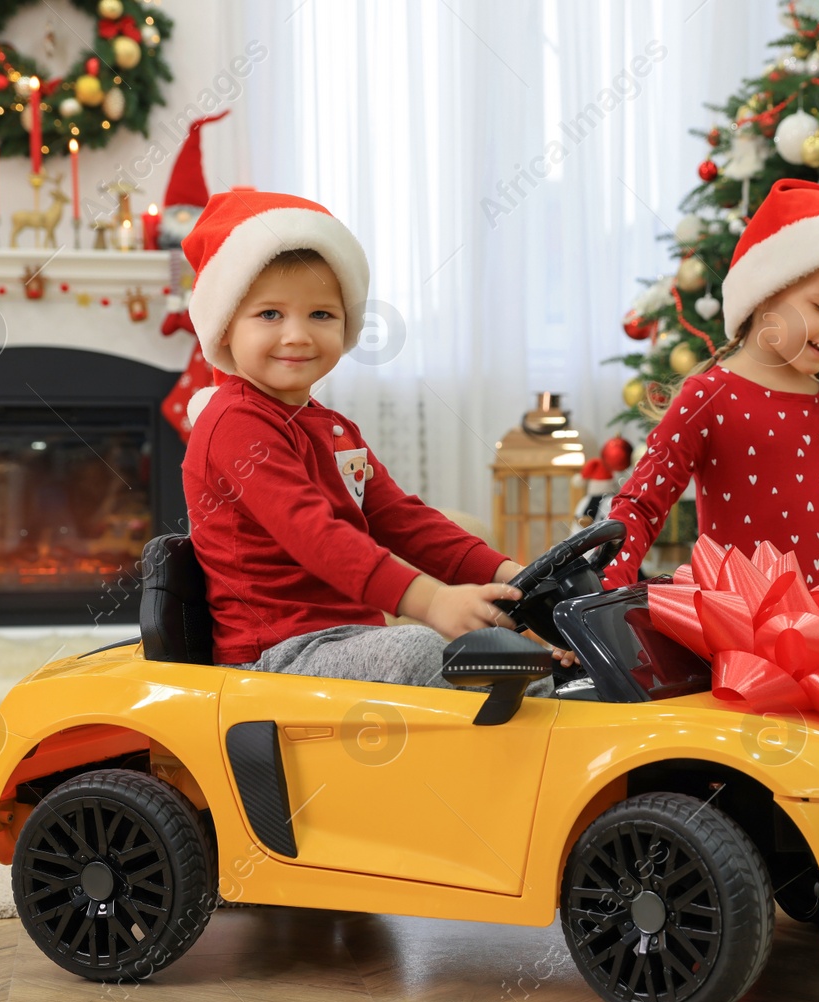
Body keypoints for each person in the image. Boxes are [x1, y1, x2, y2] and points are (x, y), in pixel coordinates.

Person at [179, 190, 571, 689]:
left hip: (349, 640)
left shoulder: (331, 426)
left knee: (511, 660)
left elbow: (401, 519)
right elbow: (315, 534)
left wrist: (512, 574)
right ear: (224, 327)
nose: (298, 335)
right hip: (275, 655)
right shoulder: (234, 424)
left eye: (321, 314)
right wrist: (430, 601)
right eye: (270, 314)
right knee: (422, 651)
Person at [601, 179, 819, 595]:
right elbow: (640, 506)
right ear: (765, 292)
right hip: (739, 639)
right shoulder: (708, 398)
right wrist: (599, 592)